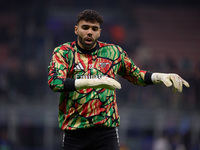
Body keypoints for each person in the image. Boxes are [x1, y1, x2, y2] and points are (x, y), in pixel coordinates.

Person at [47, 9, 190, 150]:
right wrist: (93, 81)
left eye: (94, 28)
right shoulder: (64, 52)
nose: (90, 32)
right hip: (75, 131)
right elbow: (55, 82)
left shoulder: (113, 52)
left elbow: (136, 75)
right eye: (85, 27)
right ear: (76, 29)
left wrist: (159, 76)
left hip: (106, 132)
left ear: (99, 32)